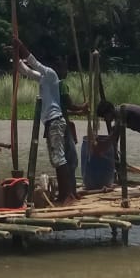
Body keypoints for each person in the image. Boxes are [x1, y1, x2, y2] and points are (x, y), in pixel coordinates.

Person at [14, 37, 77, 206]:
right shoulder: (44, 78)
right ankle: (64, 194)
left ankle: (68, 195)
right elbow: (26, 71)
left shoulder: (50, 74)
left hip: (55, 121)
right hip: (51, 122)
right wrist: (14, 56)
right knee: (56, 159)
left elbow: (33, 62)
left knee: (59, 159)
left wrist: (20, 46)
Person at [55, 55, 89, 195]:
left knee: (62, 159)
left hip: (57, 125)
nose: (66, 71)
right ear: (58, 70)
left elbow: (63, 108)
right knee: (72, 160)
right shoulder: (61, 85)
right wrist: (82, 106)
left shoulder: (51, 85)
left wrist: (79, 112)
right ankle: (71, 192)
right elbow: (70, 105)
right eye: (64, 68)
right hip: (62, 127)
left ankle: (67, 191)